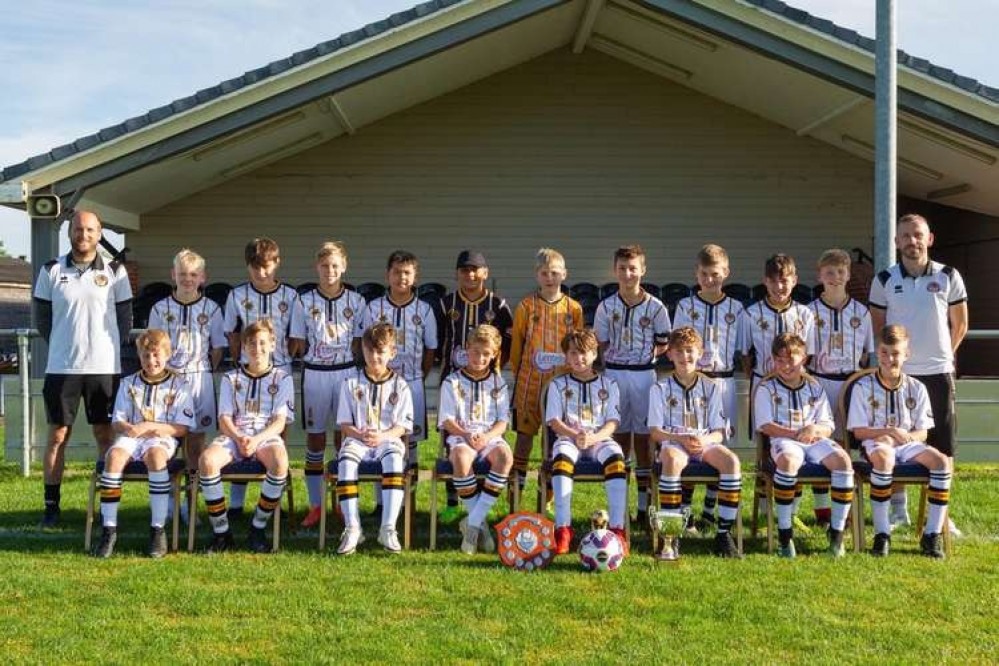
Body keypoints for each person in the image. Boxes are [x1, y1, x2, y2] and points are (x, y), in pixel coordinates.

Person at [33, 210, 133, 527]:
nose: (84, 235)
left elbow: (125, 321)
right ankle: (52, 507)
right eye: (79, 229)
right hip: (62, 367)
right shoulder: (50, 270)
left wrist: (105, 348)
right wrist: (67, 345)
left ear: (99, 232)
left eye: (90, 230)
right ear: (70, 232)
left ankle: (108, 507)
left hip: (104, 368)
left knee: (105, 434)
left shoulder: (116, 271)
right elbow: (43, 321)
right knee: (58, 435)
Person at [869, 213, 968, 534]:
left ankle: (940, 513)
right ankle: (899, 511)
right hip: (898, 376)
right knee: (895, 440)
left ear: (929, 238)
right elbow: (877, 326)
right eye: (906, 236)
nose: (912, 241)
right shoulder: (884, 279)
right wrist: (892, 364)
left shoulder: (949, 275)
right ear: (896, 242)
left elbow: (960, 324)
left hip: (938, 373)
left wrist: (942, 356)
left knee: (942, 445)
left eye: (918, 235)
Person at [847, 325, 951, 558]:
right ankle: (882, 535)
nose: (889, 358)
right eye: (884, 352)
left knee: (942, 462)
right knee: (884, 459)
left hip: (908, 443)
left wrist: (904, 436)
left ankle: (932, 536)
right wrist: (889, 432)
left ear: (906, 354)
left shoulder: (917, 387)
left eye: (895, 353)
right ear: (877, 352)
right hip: (877, 442)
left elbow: (923, 433)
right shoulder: (863, 387)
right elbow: (859, 433)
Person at [753, 333, 854, 559]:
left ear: (804, 359)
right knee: (789, 462)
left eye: (792, 359)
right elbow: (765, 425)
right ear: (772, 360)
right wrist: (796, 433)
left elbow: (828, 425)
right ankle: (785, 535)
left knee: (843, 462)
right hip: (784, 440)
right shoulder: (766, 388)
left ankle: (836, 534)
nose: (786, 365)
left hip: (813, 439)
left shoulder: (815, 388)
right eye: (779, 360)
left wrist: (813, 431)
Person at [94, 329, 194, 558]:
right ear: (140, 356)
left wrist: (150, 428)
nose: (152, 361)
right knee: (114, 456)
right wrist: (130, 429)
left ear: (167, 355)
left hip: (161, 436)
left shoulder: (179, 384)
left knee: (156, 457)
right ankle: (109, 530)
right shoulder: (129, 382)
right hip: (132, 435)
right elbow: (118, 420)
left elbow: (182, 428)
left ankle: (157, 530)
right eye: (146, 356)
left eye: (157, 355)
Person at [739, 253, 822, 528]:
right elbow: (745, 355)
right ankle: (764, 508)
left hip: (796, 384)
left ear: (794, 281)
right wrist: (761, 379)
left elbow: (807, 353)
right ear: (765, 282)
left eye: (784, 281)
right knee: (766, 444)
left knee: (798, 440)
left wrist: (794, 375)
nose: (779, 287)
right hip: (765, 384)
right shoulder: (750, 313)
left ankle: (792, 507)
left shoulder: (805, 313)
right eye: (773, 282)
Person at [197, 320, 294, 554]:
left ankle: (257, 528)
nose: (257, 348)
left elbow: (280, 422)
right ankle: (222, 533)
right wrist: (240, 437)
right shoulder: (231, 378)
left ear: (272, 345)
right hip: (235, 435)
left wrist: (256, 439)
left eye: (262, 343)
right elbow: (224, 420)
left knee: (280, 462)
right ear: (243, 347)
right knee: (207, 461)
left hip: (265, 435)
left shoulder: (283, 378)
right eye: (251, 343)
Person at [289, 241, 366, 528]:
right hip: (316, 373)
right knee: (316, 438)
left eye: (335, 265)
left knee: (344, 439)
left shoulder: (357, 301)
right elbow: (297, 341)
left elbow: (360, 342)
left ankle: (344, 505)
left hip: (346, 372)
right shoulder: (303, 300)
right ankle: (317, 504)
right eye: (324, 266)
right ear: (316, 268)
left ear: (344, 266)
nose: (330, 271)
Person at [649, 327, 742, 561]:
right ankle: (671, 535)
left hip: (704, 441)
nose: (684, 356)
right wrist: (681, 439)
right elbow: (655, 432)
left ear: (700, 353)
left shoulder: (712, 387)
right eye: (678, 352)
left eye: (690, 351)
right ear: (669, 355)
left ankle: (724, 534)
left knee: (731, 461)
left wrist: (704, 440)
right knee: (671, 459)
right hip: (674, 441)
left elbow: (719, 432)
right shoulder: (659, 388)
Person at [593, 245, 670, 526]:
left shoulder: (656, 306)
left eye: (633, 268)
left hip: (644, 375)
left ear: (643, 270)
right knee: (618, 436)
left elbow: (663, 344)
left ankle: (643, 505)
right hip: (614, 375)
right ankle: (619, 506)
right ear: (615, 270)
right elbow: (600, 343)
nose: (628, 273)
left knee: (644, 439)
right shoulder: (606, 306)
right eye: (623, 268)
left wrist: (642, 356)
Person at [222, 238, 298, 517]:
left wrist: (281, 360)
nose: (261, 273)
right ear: (248, 267)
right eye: (255, 268)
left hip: (279, 373)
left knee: (276, 435)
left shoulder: (290, 295)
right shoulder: (236, 295)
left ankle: (272, 500)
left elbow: (295, 337)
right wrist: (241, 360)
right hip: (245, 372)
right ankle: (236, 505)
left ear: (276, 263)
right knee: (240, 433)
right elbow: (232, 333)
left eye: (266, 267)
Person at [436, 250, 513, 525]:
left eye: (475, 269)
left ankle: (478, 508)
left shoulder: (499, 305)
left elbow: (509, 339)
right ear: (457, 273)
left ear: (485, 273)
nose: (470, 274)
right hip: (455, 378)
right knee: (453, 446)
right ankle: (452, 503)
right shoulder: (445, 304)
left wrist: (495, 368)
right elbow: (437, 341)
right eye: (465, 270)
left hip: (488, 382)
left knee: (491, 448)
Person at [148, 249, 225, 522]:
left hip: (198, 379)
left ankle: (192, 501)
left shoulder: (212, 309)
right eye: (182, 274)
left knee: (195, 444)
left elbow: (217, 348)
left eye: (193, 274)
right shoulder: (159, 308)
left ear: (202, 277)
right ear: (173, 275)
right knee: (166, 441)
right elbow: (152, 346)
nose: (188, 279)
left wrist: (203, 371)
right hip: (167, 381)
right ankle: (170, 501)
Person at [673, 243, 744, 530]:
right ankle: (686, 511)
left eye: (715, 273)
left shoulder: (737, 308)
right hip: (694, 382)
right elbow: (678, 345)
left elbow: (743, 351)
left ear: (725, 272)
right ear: (696, 274)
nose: (709, 279)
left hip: (724, 381)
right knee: (691, 442)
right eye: (704, 274)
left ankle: (709, 511)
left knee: (719, 444)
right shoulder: (685, 306)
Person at [361, 251, 437, 512]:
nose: (401, 277)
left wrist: (419, 376)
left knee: (410, 443)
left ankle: (409, 501)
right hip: (379, 384)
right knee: (380, 440)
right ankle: (382, 503)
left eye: (407, 272)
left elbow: (430, 350)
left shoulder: (425, 310)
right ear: (387, 275)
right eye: (396, 272)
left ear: (415, 276)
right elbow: (365, 345)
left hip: (412, 383)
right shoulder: (374, 308)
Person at [806, 248, 874, 527]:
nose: (835, 278)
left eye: (841, 272)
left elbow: (868, 355)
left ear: (849, 275)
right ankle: (822, 511)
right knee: (821, 443)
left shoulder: (862, 312)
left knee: (849, 447)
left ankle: (846, 509)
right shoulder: (809, 312)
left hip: (852, 385)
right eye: (830, 273)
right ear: (820, 275)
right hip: (819, 383)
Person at [545, 328, 627, 555]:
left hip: (599, 438)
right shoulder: (557, 385)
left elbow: (612, 422)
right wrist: (575, 435)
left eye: (584, 353)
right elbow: (554, 421)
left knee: (617, 460)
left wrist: (594, 437)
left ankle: (618, 530)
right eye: (573, 353)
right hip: (569, 438)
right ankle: (563, 529)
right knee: (560, 461)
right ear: (566, 356)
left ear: (594, 355)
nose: (578, 358)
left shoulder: (609, 385)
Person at [334, 323, 413, 555]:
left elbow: (402, 427)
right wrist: (361, 435)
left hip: (387, 439)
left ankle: (388, 528)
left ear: (392, 352)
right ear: (362, 350)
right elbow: (345, 425)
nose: (375, 356)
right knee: (346, 461)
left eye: (381, 352)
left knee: (394, 460)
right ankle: (352, 528)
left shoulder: (401, 385)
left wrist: (382, 436)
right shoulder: (350, 383)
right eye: (370, 351)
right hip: (358, 439)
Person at [510, 248, 583, 497]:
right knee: (523, 440)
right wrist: (520, 375)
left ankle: (547, 498)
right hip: (529, 383)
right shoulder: (525, 307)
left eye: (554, 272)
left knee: (554, 443)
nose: (549, 277)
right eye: (544, 273)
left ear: (564, 274)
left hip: (562, 385)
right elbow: (516, 349)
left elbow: (579, 347)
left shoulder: (574, 310)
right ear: (537, 275)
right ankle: (515, 496)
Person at [438, 324, 513, 554]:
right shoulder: (451, 382)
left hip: (489, 436)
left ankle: (472, 523)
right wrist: (466, 434)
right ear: (467, 349)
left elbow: (502, 422)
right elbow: (447, 420)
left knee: (505, 457)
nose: (480, 358)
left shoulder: (499, 383)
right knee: (460, 457)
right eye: (475, 352)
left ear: (494, 355)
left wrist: (488, 436)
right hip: (462, 435)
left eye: (486, 354)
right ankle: (481, 527)